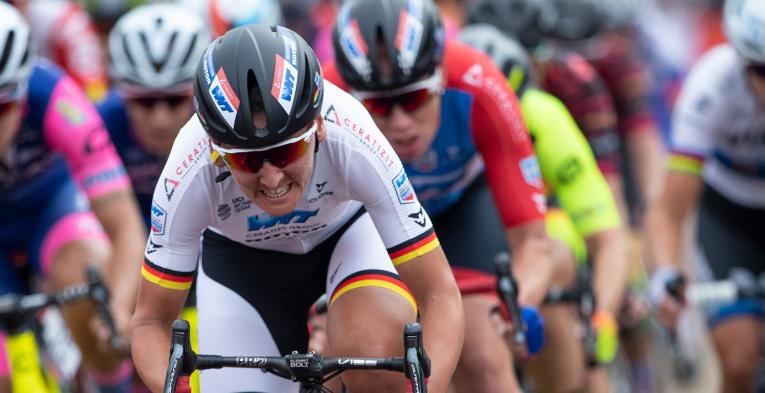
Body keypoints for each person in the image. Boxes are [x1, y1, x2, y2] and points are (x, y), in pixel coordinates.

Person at [129, 24, 464, 393]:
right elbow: (150, 323)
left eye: (286, 152)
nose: (272, 179)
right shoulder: (187, 170)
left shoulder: (353, 136)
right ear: (216, 151)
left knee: (372, 354)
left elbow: (439, 295)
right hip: (242, 264)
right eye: (246, 162)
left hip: (347, 236)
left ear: (318, 126)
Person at [325, 0, 555, 391]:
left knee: (483, 352)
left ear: (442, 76)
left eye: (414, 100)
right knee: (367, 356)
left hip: (461, 209)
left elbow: (533, 241)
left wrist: (518, 304)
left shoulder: (479, 81)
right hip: (373, 224)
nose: (400, 123)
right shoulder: (326, 97)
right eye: (380, 106)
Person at [459, 23, 627, 392]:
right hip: (473, 249)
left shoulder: (544, 116)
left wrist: (603, 318)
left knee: (552, 258)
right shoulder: (446, 124)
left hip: (543, 244)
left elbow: (607, 237)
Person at [0, 3, 146, 393]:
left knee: (89, 276)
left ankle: (109, 385)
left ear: (22, 92)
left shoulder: (55, 96)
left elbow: (127, 226)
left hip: (46, 210)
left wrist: (115, 309)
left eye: (2, 108)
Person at [645, 0, 765, 391]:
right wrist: (665, 273)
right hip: (728, 217)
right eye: (762, 71)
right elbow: (668, 210)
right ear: (742, 61)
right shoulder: (711, 87)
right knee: (739, 355)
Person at [100, 2, 210, 227]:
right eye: (144, 101)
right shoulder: (101, 124)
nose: (160, 120)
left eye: (175, 100)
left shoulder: (221, 123)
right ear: (122, 93)